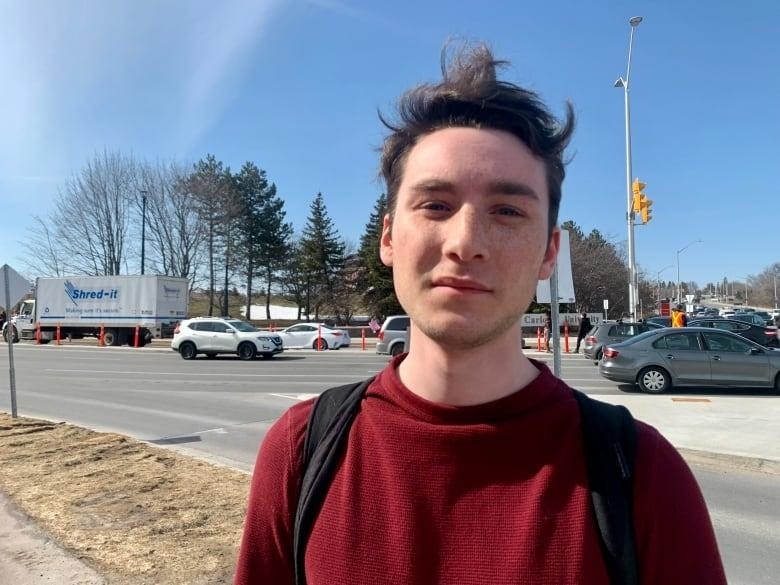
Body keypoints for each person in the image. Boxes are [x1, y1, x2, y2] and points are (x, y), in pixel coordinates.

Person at [234, 43, 725, 584]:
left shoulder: (643, 474)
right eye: (436, 205)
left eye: (508, 211)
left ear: (549, 253)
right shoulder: (302, 452)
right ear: (390, 238)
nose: (466, 243)